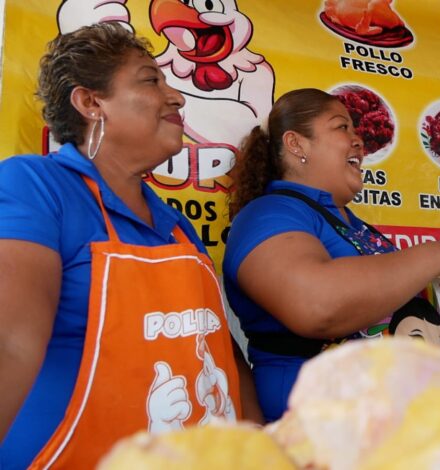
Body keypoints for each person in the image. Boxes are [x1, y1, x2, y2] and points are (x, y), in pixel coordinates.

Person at [0, 23, 260, 469]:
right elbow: (10, 344)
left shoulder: (176, 225)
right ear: (90, 103)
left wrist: (260, 447)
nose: (176, 97)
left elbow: (221, 350)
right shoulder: (36, 186)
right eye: (150, 79)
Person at [223, 88, 440, 422]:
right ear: (297, 144)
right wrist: (434, 256)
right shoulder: (267, 214)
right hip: (320, 434)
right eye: (342, 127)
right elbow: (315, 305)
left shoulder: (355, 227)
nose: (359, 140)